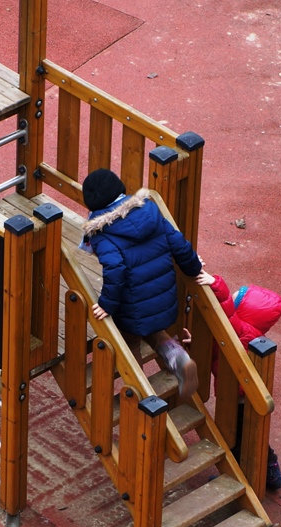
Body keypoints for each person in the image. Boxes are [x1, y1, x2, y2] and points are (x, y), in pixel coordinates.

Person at [80, 168, 202, 401]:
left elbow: (115, 269)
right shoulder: (150, 210)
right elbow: (179, 244)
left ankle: (140, 392)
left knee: (130, 341)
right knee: (154, 330)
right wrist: (194, 269)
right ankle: (180, 360)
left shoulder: (102, 233)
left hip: (131, 304)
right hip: (164, 295)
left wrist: (107, 304)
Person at [195, 267, 281, 490]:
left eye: (236, 299)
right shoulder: (244, 333)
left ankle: (249, 474)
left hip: (239, 394)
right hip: (242, 391)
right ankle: (269, 469)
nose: (231, 298)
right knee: (248, 434)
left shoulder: (241, 330)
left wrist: (214, 283)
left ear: (244, 312)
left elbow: (225, 310)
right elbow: (218, 346)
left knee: (237, 436)